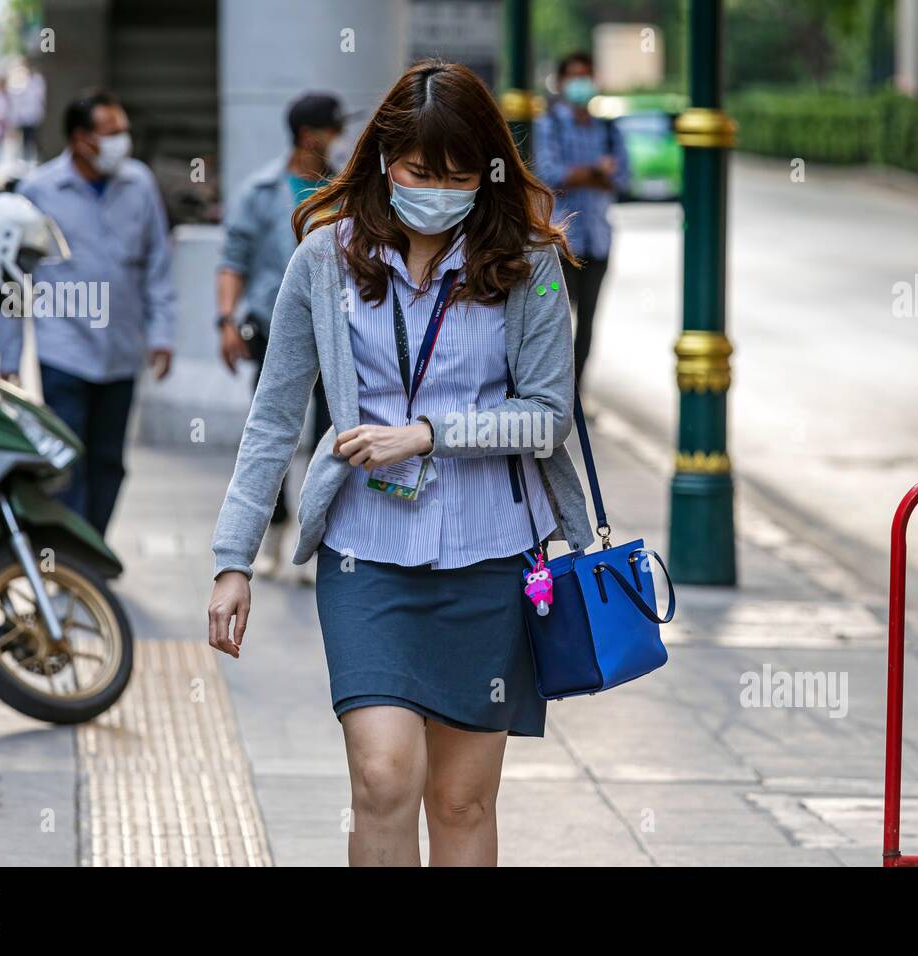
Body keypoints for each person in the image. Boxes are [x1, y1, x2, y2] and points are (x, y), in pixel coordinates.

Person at [207, 61, 594, 867]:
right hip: (366, 553)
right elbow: (274, 416)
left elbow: (549, 417)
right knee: (383, 779)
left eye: (458, 175)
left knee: (461, 801)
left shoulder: (530, 264)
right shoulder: (322, 260)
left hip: (491, 560)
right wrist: (233, 558)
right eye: (421, 172)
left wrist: (426, 432)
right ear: (385, 160)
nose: (438, 191)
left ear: (485, 173)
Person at [0, 88, 175, 537]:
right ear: (81, 139)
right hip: (64, 349)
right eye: (110, 132)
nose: (122, 141)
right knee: (65, 457)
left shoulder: (139, 184)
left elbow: (157, 262)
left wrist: (163, 334)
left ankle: (91, 547)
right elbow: (17, 277)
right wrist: (8, 360)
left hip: (121, 349)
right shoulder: (39, 190)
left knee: (109, 461)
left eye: (123, 131)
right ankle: (67, 554)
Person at [215, 92, 345, 577]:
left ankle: (317, 537)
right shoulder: (261, 191)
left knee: (333, 437)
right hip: (274, 331)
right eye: (332, 131)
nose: (338, 140)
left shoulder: (345, 189)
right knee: (272, 434)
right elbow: (233, 261)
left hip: (339, 333)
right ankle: (271, 531)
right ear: (311, 135)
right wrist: (227, 321)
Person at [533, 51, 630, 386]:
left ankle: (577, 395)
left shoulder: (607, 128)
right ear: (560, 82)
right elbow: (550, 174)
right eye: (574, 76)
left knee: (587, 323)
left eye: (586, 75)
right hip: (561, 244)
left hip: (598, 241)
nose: (581, 83)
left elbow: (622, 178)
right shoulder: (550, 125)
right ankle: (552, 394)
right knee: (555, 325)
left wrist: (580, 175)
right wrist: (595, 173)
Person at [6, 64, 46, 163]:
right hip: (23, 119)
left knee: (32, 139)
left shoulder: (35, 83)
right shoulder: (17, 85)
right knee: (25, 140)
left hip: (33, 118)